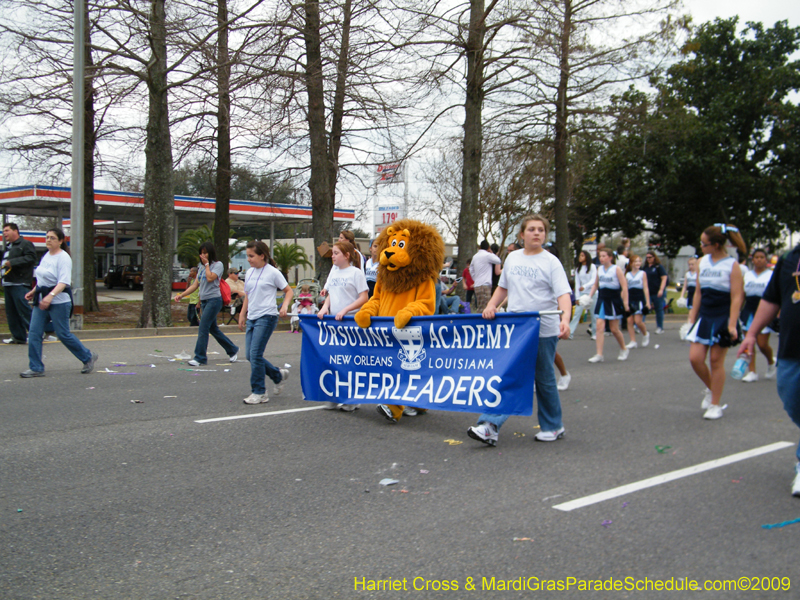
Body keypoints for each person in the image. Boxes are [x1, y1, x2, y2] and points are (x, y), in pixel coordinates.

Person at [467, 214, 572, 447]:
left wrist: (565, 318)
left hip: (543, 328)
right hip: (516, 327)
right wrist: (492, 305)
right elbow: (503, 287)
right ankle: (489, 425)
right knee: (508, 374)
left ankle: (553, 426)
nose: (537, 233)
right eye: (532, 229)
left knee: (543, 379)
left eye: (541, 230)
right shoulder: (513, 258)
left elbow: (563, 295)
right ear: (522, 234)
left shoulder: (551, 262)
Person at [738, 241, 800, 495]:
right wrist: (751, 334)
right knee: (792, 398)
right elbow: (771, 299)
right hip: (792, 347)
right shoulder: (789, 259)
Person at [686, 224, 746, 420]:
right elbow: (699, 293)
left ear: (717, 245)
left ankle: (715, 404)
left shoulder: (732, 265)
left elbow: (737, 296)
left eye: (704, 244)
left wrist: (732, 324)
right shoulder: (702, 262)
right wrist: (692, 317)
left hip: (723, 315)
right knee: (695, 358)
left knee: (715, 361)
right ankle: (712, 389)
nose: (701, 247)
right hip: (705, 314)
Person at [20, 228, 98, 378]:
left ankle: (87, 356)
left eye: (52, 238)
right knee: (35, 333)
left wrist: (50, 296)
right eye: (47, 237)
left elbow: (63, 282)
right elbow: (43, 279)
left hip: (59, 302)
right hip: (42, 301)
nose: (48, 240)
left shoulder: (63, 258)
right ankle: (36, 367)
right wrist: (34, 291)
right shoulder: (46, 256)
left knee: (63, 334)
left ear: (61, 241)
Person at [237, 240, 292, 405]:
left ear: (262, 256)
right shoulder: (249, 273)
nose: (248, 259)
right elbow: (248, 294)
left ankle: (259, 392)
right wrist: (242, 314)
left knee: (255, 355)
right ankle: (277, 375)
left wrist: (285, 305)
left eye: (251, 256)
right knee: (250, 355)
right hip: (252, 317)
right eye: (247, 256)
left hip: (267, 316)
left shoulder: (272, 272)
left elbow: (288, 291)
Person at [318, 240, 369, 411]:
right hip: (335, 323)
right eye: (332, 253)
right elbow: (332, 294)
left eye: (336, 253)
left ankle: (352, 398)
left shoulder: (356, 273)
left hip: (351, 323)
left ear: (347, 255)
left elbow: (363, 297)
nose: (332, 256)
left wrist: (346, 310)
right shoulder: (334, 274)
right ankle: (334, 394)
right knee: (333, 360)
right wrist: (325, 308)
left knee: (349, 362)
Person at [174, 242, 239, 366]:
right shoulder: (202, 267)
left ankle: (200, 358)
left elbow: (210, 278)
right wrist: (181, 295)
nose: (203, 255)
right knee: (213, 329)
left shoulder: (217, 265)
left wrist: (207, 264)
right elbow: (195, 285)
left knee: (203, 327)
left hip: (214, 300)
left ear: (210, 253)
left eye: (205, 253)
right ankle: (232, 349)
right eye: (201, 253)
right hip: (204, 301)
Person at [738, 248, 776, 382]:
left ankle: (771, 362)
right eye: (756, 257)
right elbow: (742, 295)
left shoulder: (771, 275)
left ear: (766, 259)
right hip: (748, 310)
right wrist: (737, 310)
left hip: (764, 310)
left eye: (762, 257)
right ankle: (752, 371)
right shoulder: (747, 275)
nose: (759, 259)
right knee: (748, 342)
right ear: (752, 259)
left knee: (762, 344)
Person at [587, 247, 629, 362]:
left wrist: (625, 302)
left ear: (610, 257)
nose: (601, 258)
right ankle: (599, 354)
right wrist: (589, 297)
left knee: (614, 329)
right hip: (602, 299)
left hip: (613, 300)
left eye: (604, 256)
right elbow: (596, 285)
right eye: (600, 256)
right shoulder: (599, 269)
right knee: (599, 326)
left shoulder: (616, 269)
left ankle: (624, 348)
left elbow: (624, 286)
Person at [2, 222, 37, 344]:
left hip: (20, 283)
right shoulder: (7, 247)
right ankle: (18, 336)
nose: (4, 233)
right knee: (11, 312)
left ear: (15, 231)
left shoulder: (25, 244)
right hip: (8, 283)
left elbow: (31, 258)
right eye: (3, 231)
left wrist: (13, 262)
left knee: (24, 310)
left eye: (7, 230)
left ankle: (37, 333)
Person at [569, 250, 597, 340]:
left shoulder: (592, 267)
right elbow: (577, 283)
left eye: (582, 256)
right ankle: (570, 332)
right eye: (580, 256)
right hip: (582, 293)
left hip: (592, 292)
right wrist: (577, 297)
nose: (580, 257)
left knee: (593, 314)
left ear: (586, 257)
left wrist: (585, 286)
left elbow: (594, 280)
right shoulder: (578, 269)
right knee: (577, 313)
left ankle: (594, 333)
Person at [624, 255, 651, 349]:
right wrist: (625, 302)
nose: (638, 263)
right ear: (631, 263)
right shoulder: (627, 275)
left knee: (638, 321)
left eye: (639, 261)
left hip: (639, 298)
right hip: (630, 298)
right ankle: (633, 341)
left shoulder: (642, 273)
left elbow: (646, 288)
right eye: (636, 261)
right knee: (629, 321)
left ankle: (645, 334)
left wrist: (648, 302)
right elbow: (625, 289)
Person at [470, 240, 501, 313]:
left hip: (477, 285)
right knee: (486, 306)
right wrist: (492, 253)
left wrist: (475, 278)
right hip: (485, 284)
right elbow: (498, 261)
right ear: (488, 248)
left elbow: (471, 269)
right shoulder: (487, 255)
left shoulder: (475, 256)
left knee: (480, 304)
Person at [643, 251, 668, 333]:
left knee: (659, 309)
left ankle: (660, 327)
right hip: (648, 292)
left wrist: (661, 289)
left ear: (654, 257)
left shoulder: (658, 267)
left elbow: (664, 278)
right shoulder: (645, 267)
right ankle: (640, 325)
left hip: (657, 291)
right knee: (645, 308)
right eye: (647, 257)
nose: (648, 259)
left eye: (650, 257)